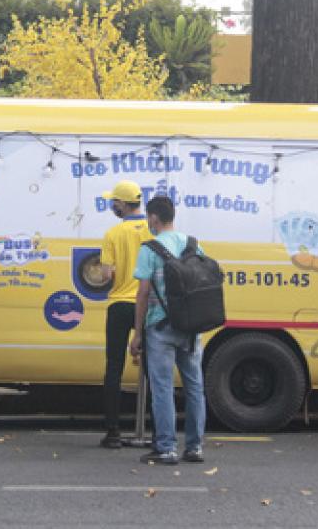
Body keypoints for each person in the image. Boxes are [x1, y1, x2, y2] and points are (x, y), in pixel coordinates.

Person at [129, 195, 205, 465]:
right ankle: (195, 447)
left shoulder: (150, 249)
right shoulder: (194, 245)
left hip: (160, 325)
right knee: (194, 386)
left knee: (162, 387)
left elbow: (142, 293)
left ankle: (166, 448)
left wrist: (137, 333)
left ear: (153, 218)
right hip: (193, 327)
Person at [98, 180, 153, 448]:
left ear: (121, 204)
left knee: (114, 367)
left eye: (114, 202)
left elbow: (107, 274)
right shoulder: (153, 232)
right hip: (149, 305)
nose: (112, 206)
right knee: (153, 367)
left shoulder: (113, 234)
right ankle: (152, 428)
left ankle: (113, 432)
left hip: (119, 304)